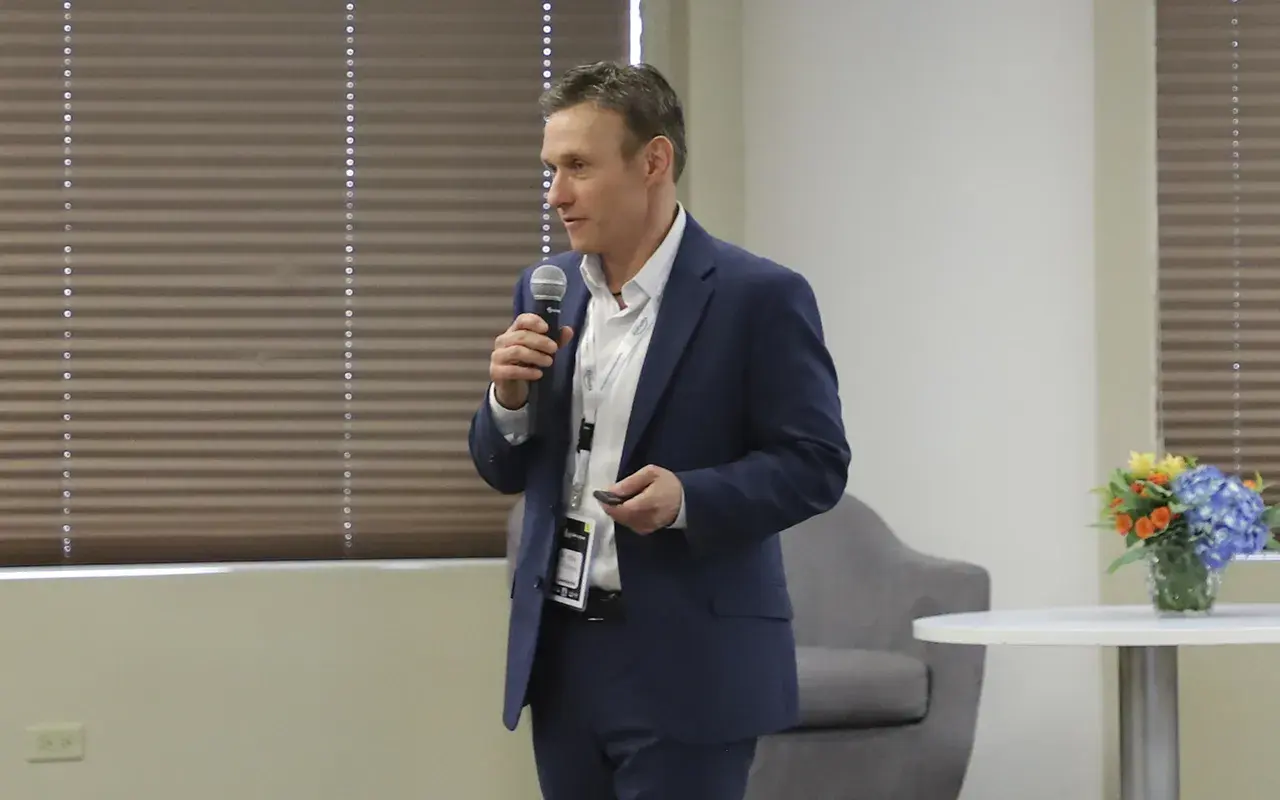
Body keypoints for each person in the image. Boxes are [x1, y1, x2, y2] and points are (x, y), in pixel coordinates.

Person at [467, 60, 850, 800]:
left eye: (578, 167)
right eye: (550, 170)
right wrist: (506, 399)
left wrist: (687, 499)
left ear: (653, 162)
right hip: (563, 653)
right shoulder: (545, 288)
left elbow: (816, 463)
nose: (556, 194)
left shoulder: (757, 297)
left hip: (690, 665)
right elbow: (504, 468)